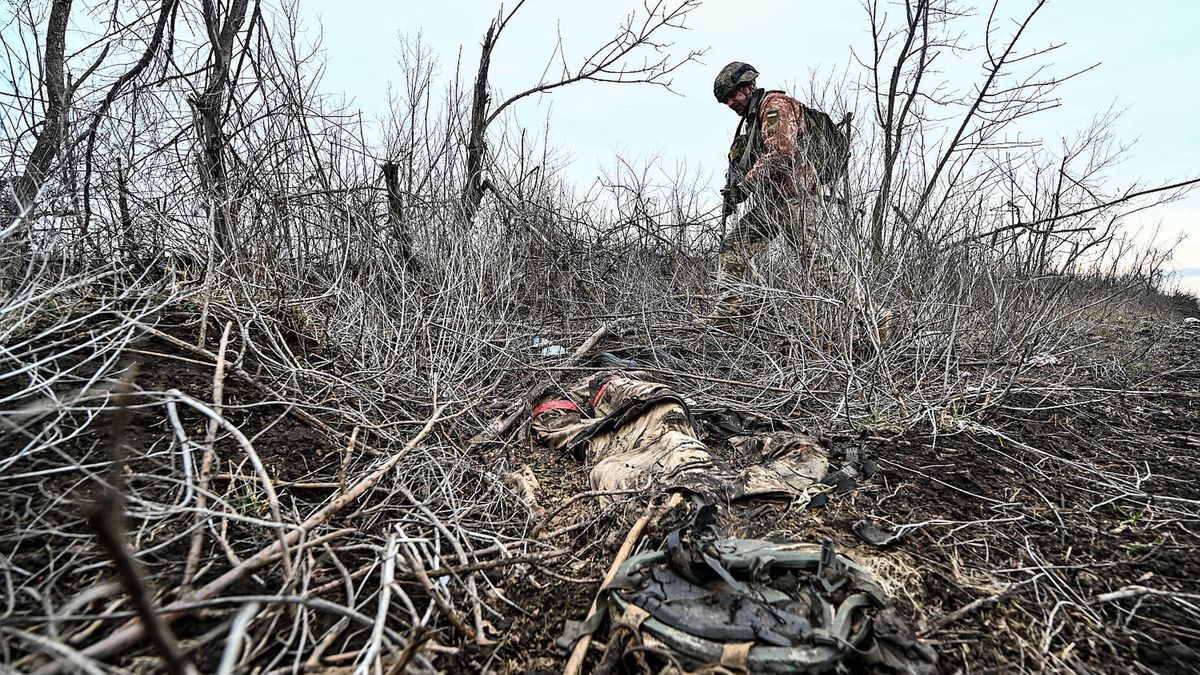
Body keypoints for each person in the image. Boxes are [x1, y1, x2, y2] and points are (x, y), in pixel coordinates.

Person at [707, 61, 830, 323]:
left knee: (820, 267)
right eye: (726, 100)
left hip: (797, 198)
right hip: (772, 203)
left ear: (749, 86)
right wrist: (735, 188)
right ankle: (729, 314)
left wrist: (747, 185)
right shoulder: (752, 122)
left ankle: (874, 316)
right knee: (733, 246)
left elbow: (780, 152)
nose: (730, 103)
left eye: (733, 95)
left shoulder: (775, 106)